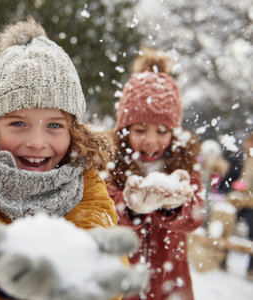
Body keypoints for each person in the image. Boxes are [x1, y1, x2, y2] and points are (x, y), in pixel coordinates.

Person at [0, 17, 148, 300]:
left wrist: (91, 266)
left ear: (73, 130)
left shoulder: (83, 177)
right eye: (18, 124)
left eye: (54, 125)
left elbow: (95, 226)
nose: (36, 142)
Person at [108, 47, 206, 300]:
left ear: (174, 133)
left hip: (169, 282)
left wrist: (172, 207)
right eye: (140, 130)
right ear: (124, 130)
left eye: (162, 131)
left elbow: (195, 216)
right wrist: (130, 206)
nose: (151, 141)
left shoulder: (183, 164)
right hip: (121, 278)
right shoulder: (111, 163)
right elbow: (102, 210)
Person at [225, 131, 253, 278]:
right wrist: (233, 187)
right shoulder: (238, 158)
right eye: (249, 141)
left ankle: (251, 268)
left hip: (251, 203)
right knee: (224, 222)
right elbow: (227, 179)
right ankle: (221, 258)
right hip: (234, 200)